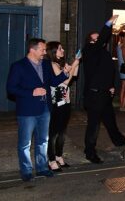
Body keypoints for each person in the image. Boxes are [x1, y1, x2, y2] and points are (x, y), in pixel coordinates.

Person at [7, 38, 69, 181]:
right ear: (32, 50)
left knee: (43, 141)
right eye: (42, 50)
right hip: (27, 111)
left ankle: (41, 168)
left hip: (45, 109)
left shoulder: (46, 64)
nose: (44, 52)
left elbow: (53, 82)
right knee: (25, 143)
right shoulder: (18, 66)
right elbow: (11, 89)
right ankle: (26, 171)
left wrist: (64, 73)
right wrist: (31, 92)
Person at [81, 15, 125, 164]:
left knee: (110, 121)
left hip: (104, 93)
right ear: (91, 42)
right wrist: (108, 24)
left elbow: (106, 72)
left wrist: (111, 86)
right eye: (96, 38)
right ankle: (89, 152)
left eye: (99, 38)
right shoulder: (89, 51)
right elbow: (101, 40)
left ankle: (119, 141)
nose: (99, 40)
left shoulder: (103, 53)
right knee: (94, 125)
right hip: (94, 95)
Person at [45, 41, 80, 172]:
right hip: (56, 104)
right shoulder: (53, 64)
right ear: (54, 51)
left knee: (62, 132)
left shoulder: (61, 64)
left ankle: (59, 156)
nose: (63, 50)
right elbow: (65, 81)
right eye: (60, 48)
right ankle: (51, 159)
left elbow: (73, 76)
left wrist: (76, 64)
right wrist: (73, 66)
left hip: (66, 102)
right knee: (53, 133)